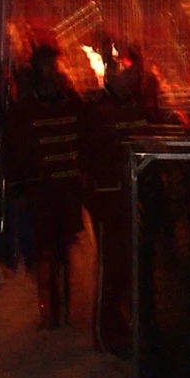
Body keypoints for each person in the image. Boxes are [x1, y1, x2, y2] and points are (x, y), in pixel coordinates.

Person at [3, 42, 87, 330]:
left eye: (54, 66)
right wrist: (17, 188)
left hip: (68, 189)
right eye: (46, 67)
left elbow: (85, 143)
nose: (51, 73)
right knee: (44, 251)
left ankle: (65, 310)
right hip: (40, 192)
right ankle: (48, 313)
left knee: (65, 251)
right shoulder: (25, 110)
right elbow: (13, 152)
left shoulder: (72, 103)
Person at [83, 45, 150, 355]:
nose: (133, 79)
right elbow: (92, 155)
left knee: (125, 264)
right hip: (107, 195)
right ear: (111, 73)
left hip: (128, 195)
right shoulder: (97, 109)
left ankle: (120, 324)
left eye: (135, 73)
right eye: (128, 73)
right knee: (110, 265)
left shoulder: (133, 104)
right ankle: (104, 330)